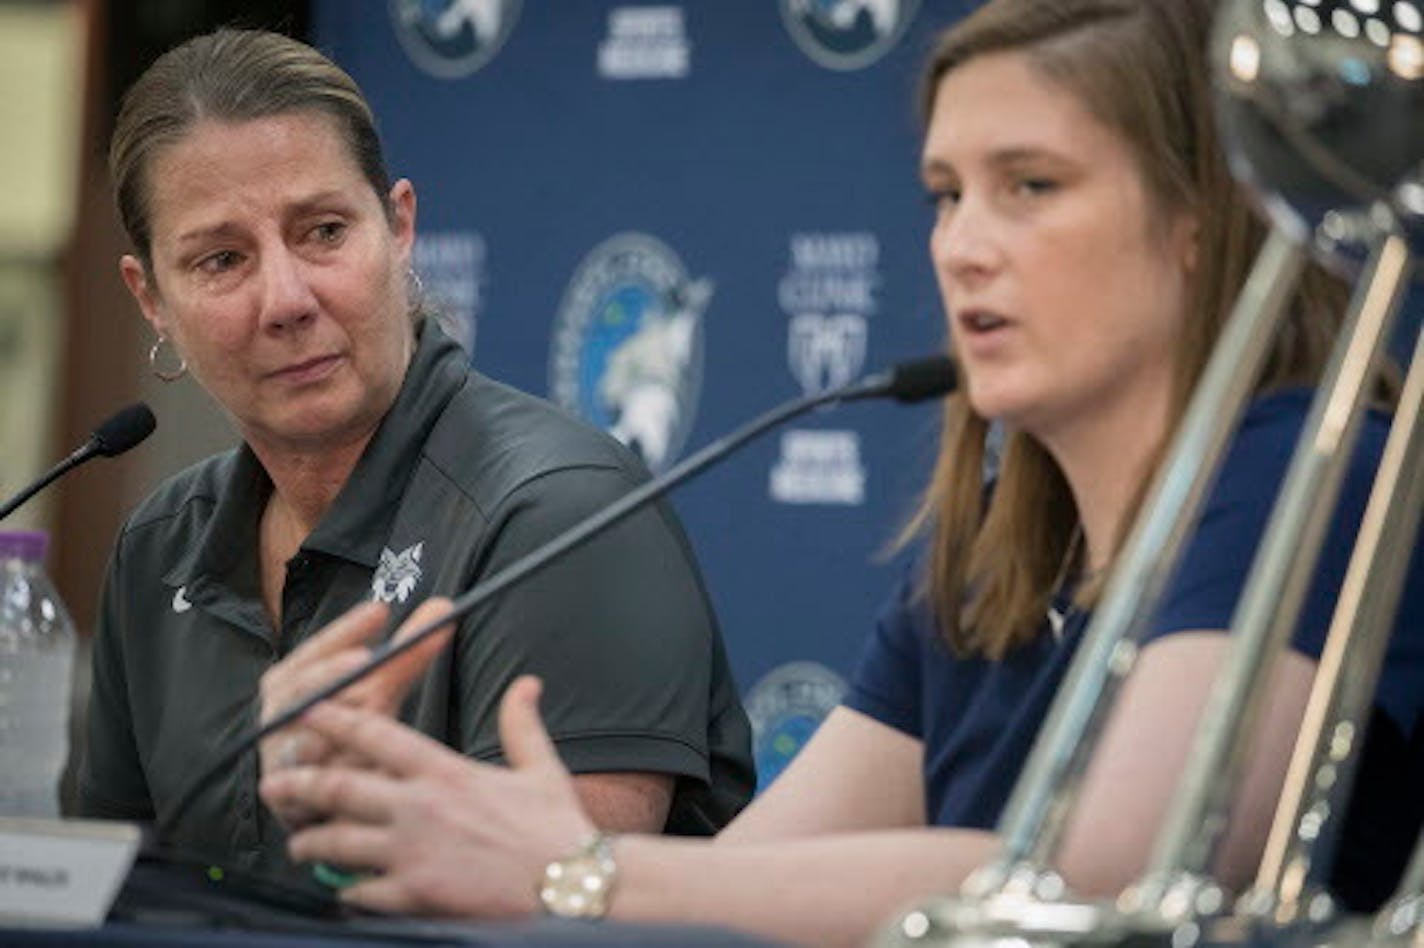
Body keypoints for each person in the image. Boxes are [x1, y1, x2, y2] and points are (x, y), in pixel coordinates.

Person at [259, 0, 1424, 943]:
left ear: (1198, 217)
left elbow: (1097, 882)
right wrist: (413, 814)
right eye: (946, 193)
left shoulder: (1310, 473)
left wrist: (579, 873)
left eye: (1030, 185)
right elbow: (753, 891)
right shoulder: (993, 549)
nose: (962, 245)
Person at [75, 27, 754, 882]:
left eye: (323, 231)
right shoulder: (159, 544)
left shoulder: (559, 511)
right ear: (153, 300)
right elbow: (105, 893)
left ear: (398, 228)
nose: (285, 299)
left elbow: (568, 909)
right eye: (221, 259)